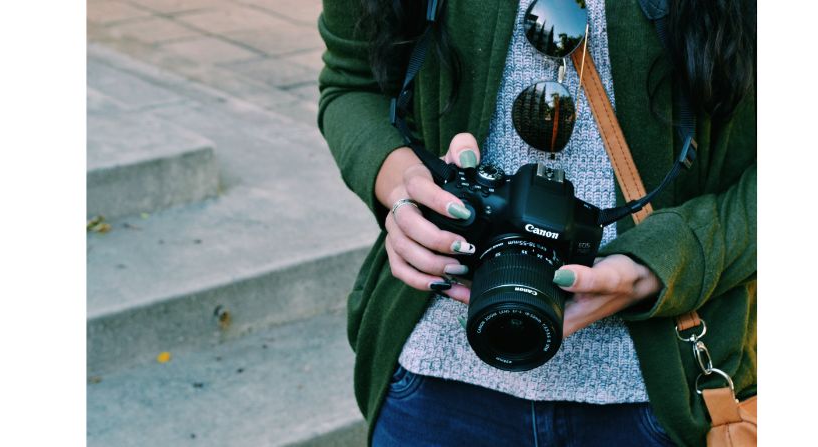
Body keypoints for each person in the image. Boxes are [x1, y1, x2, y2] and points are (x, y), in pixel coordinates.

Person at [317, 0, 755, 445]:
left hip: (659, 397)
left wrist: (667, 259)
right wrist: (404, 186)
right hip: (433, 383)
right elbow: (352, 82)